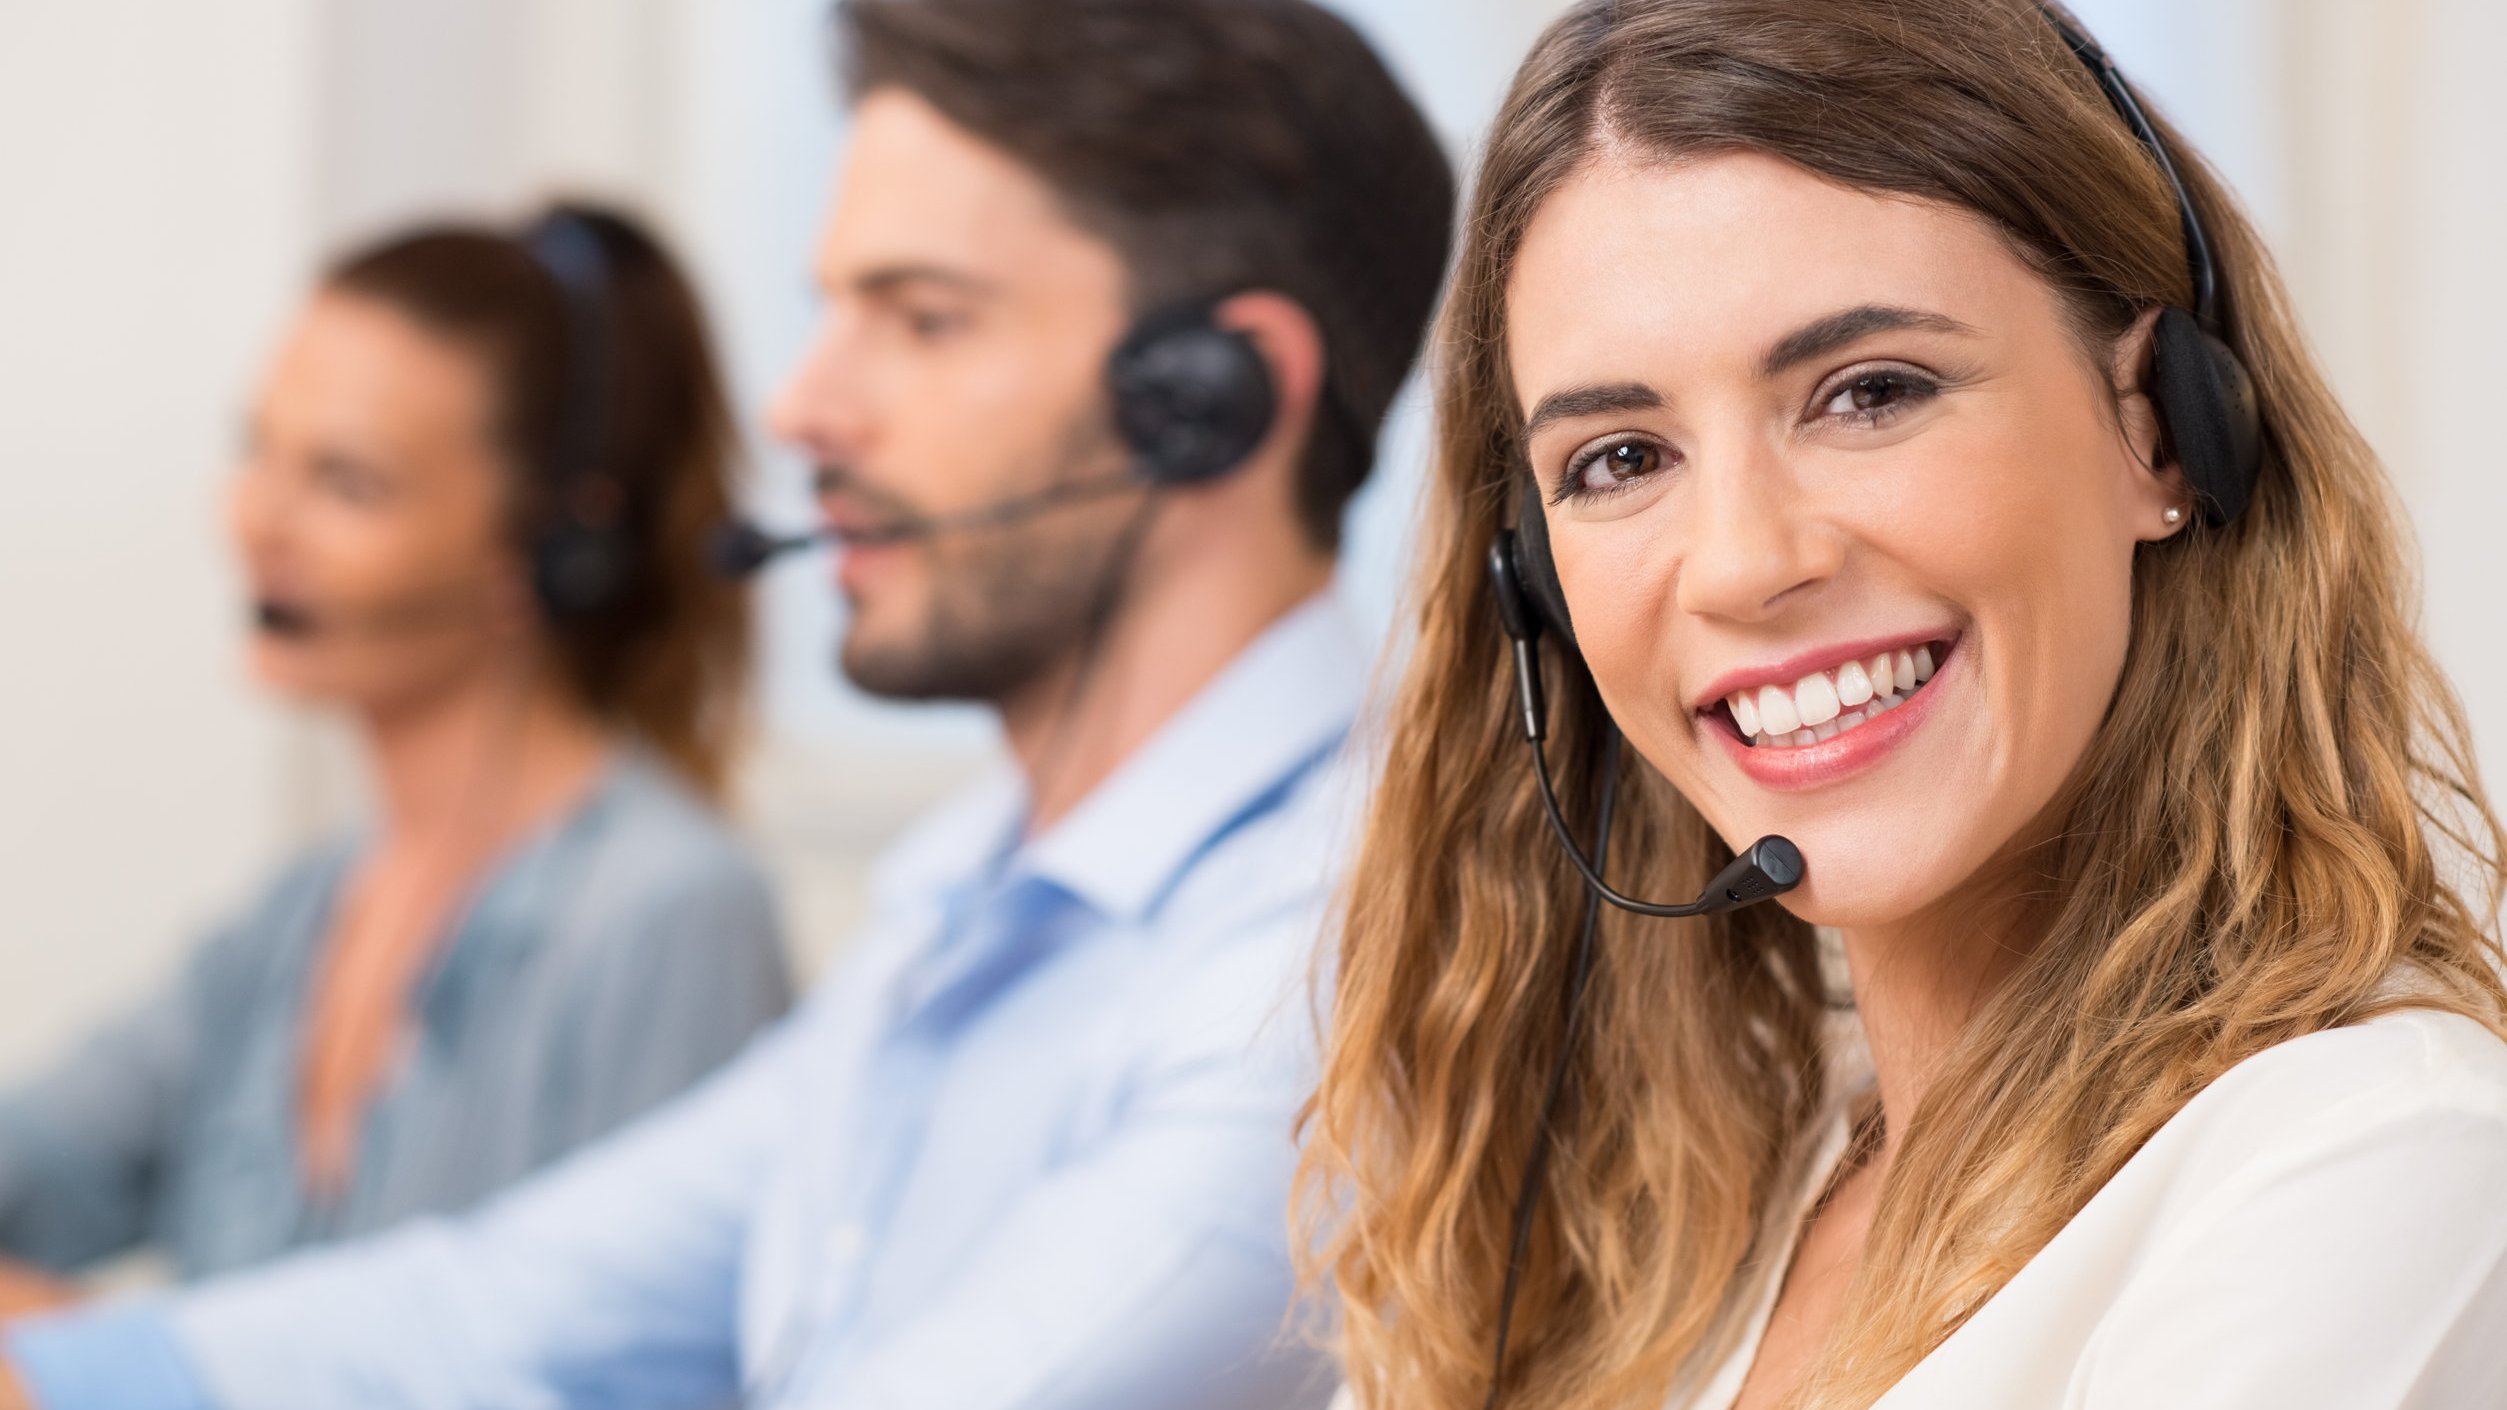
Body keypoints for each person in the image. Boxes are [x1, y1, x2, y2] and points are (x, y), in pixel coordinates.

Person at [0, 0, 1455, 1406]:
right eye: (833, 311)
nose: (802, 408)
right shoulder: (955, 907)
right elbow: (499, 1313)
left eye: (924, 320)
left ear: (1211, 395)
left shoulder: (1334, 965)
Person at [1301, 2, 2507, 1408]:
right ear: (1534, 587)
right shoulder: (1677, 1215)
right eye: (1620, 457)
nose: (1747, 562)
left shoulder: (2361, 1159)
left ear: (2162, 426)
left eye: (1867, 391)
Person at [0, 205, 790, 1307]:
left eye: (346, 482)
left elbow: (634, 1360)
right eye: (258, 452)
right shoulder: (303, 916)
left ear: (552, 547)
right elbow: (32, 1163)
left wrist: (113, 1368)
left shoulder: (668, 918)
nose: (256, 521)